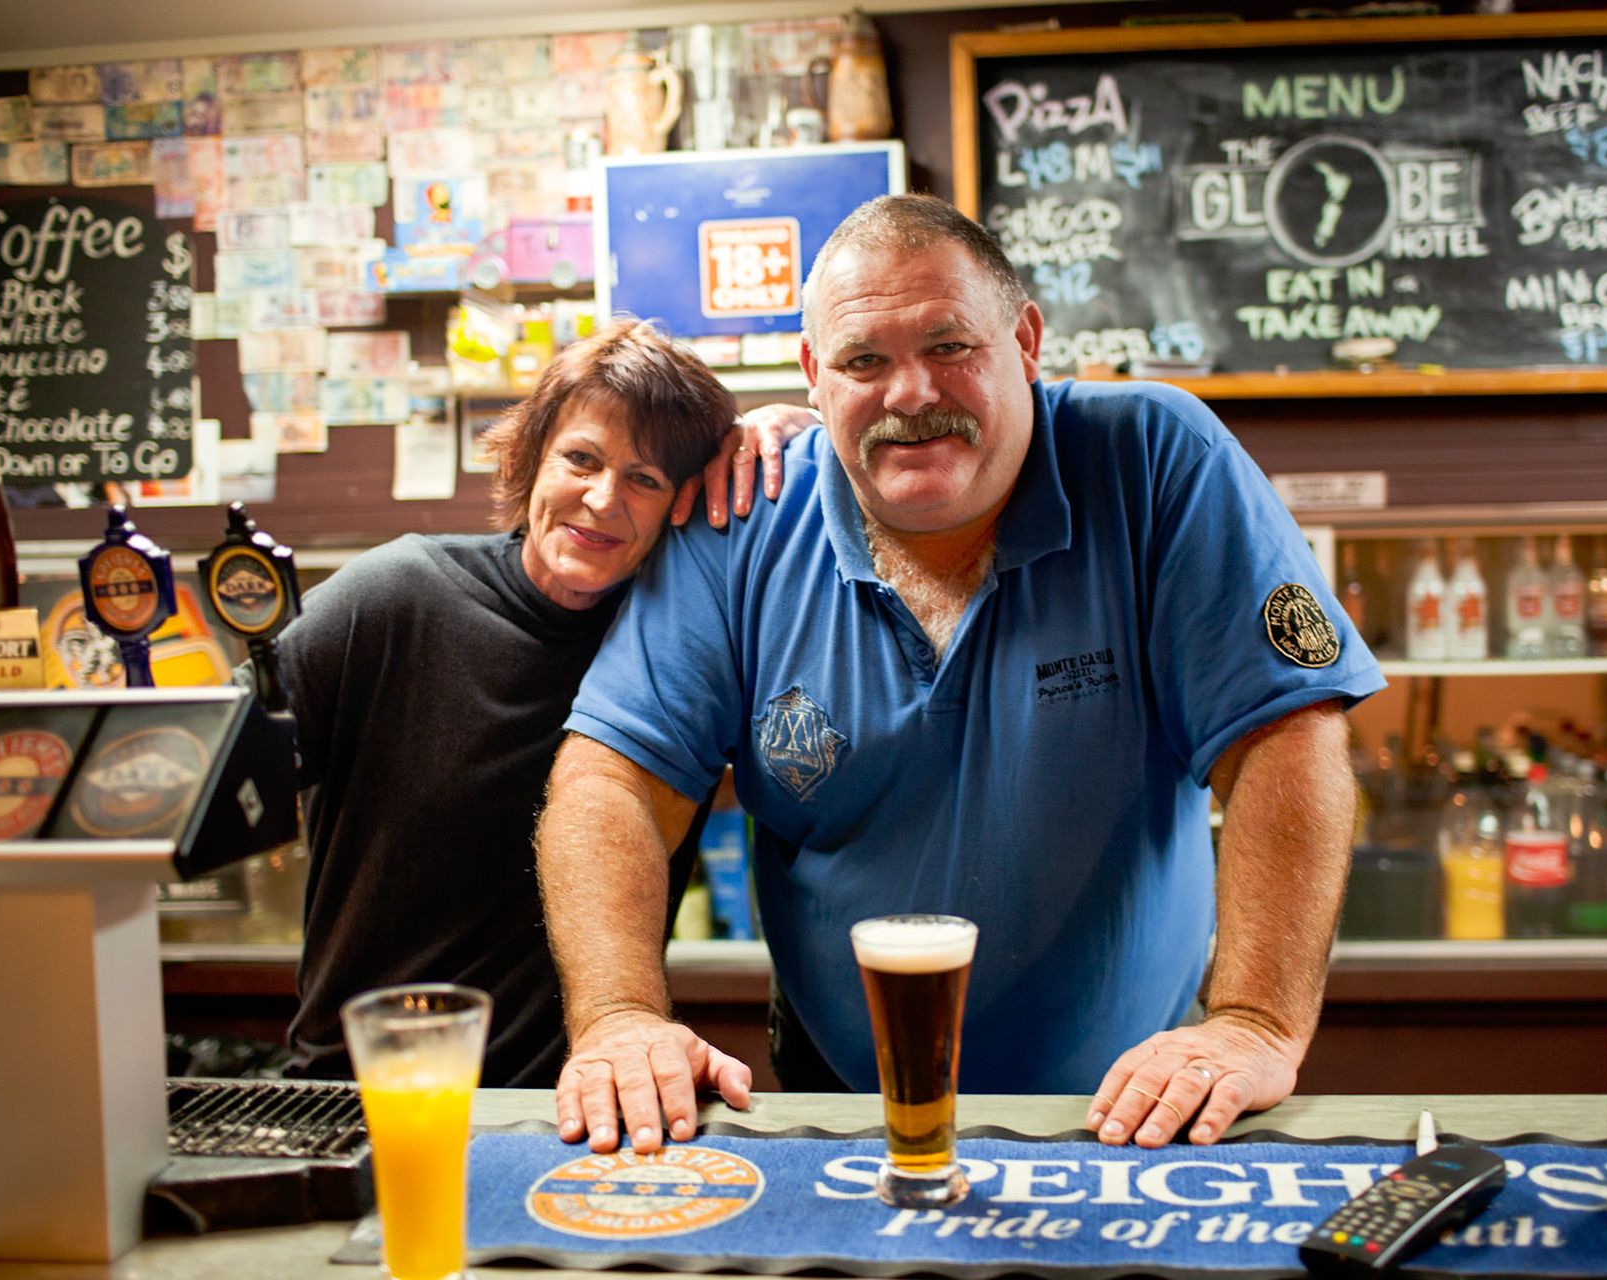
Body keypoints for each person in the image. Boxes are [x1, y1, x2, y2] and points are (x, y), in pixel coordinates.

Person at [537, 194, 1385, 1152]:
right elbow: (610, 781)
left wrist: (1254, 1022)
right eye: (864, 361)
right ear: (814, 375)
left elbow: (1289, 735)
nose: (909, 394)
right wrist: (618, 1017)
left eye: (949, 347)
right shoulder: (743, 516)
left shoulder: (1153, 458)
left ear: (1025, 340)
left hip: (1146, 1106)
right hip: (844, 1107)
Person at [269, 318, 805, 1088]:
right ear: (528, 459)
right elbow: (223, 776)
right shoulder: (390, 602)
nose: (601, 498)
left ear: (683, 504)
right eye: (580, 460)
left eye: (645, 480)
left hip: (588, 1103)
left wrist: (802, 430)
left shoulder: (684, 652)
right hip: (364, 1098)